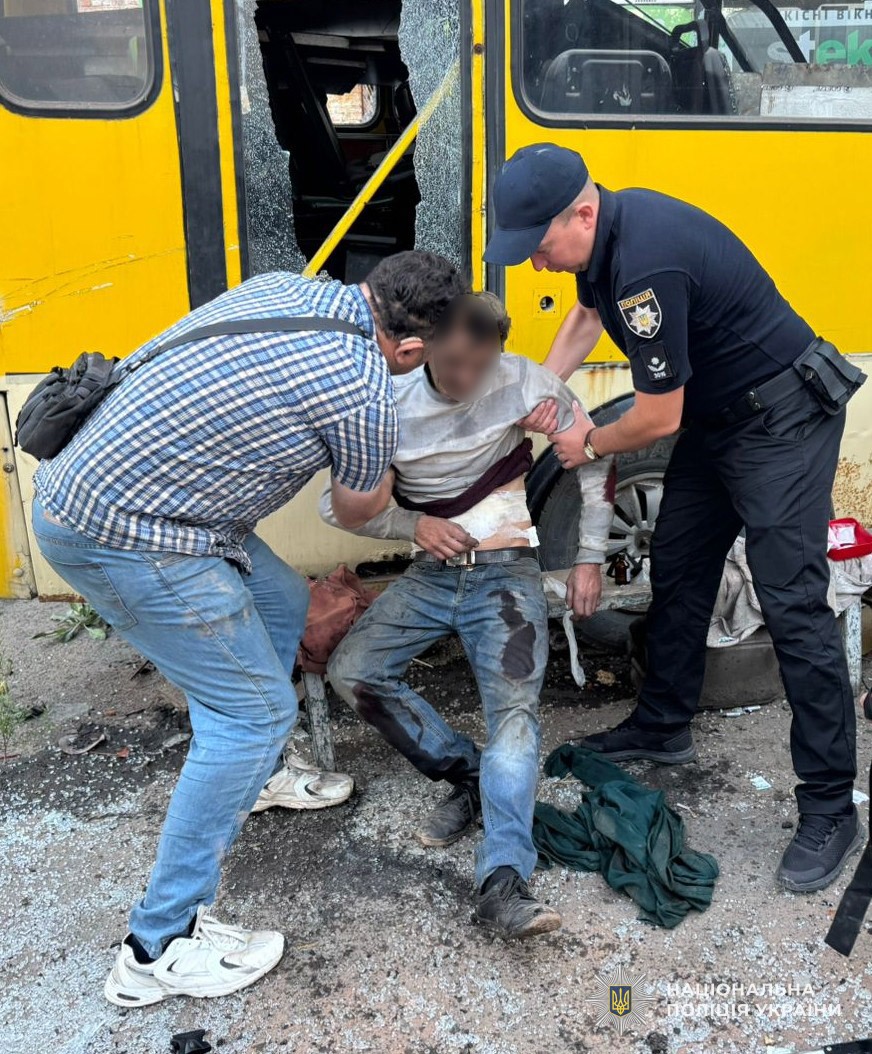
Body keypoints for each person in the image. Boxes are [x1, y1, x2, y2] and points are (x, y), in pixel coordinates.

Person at [31, 251, 466, 1005]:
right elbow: (357, 510)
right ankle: (156, 948)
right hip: (127, 534)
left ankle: (256, 777)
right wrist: (395, 464)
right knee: (255, 711)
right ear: (410, 349)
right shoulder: (364, 385)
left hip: (129, 498)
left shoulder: (282, 288)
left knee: (282, 600)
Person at [484, 143, 867, 894]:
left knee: (792, 604)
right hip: (721, 422)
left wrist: (586, 442)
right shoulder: (605, 239)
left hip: (782, 421)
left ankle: (830, 806)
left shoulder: (646, 267)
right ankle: (663, 725)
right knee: (682, 564)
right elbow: (583, 316)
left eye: (539, 246)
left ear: (582, 213)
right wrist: (534, 395)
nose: (535, 263)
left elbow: (657, 417)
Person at [322, 293, 615, 938]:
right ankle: (471, 774)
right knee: (354, 673)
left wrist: (590, 558)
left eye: (480, 365)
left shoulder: (524, 383)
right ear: (424, 347)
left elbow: (594, 463)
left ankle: (503, 879)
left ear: (499, 351)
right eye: (452, 362)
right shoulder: (386, 401)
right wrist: (413, 524)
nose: (465, 378)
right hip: (431, 575)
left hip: (506, 575)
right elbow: (334, 506)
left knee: (514, 714)